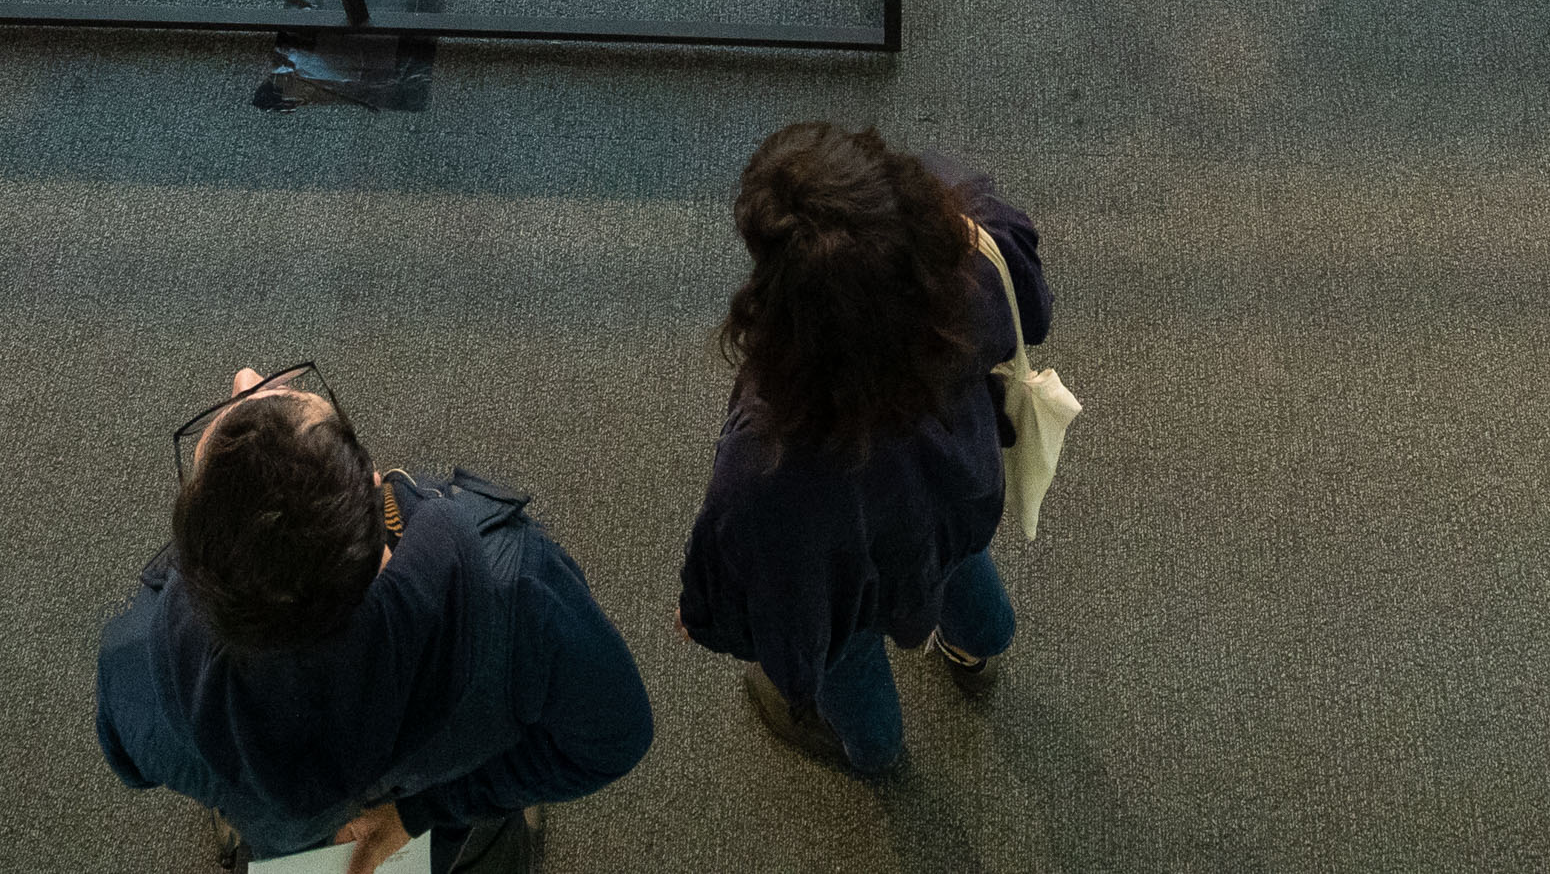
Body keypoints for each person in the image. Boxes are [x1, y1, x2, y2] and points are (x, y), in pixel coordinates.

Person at [100, 366, 653, 874]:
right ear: (371, 483)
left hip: (288, 840)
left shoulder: (135, 666)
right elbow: (614, 739)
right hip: (447, 810)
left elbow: (131, 766)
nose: (247, 378)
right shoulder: (517, 592)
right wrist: (422, 810)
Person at [678, 125, 1055, 782]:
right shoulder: (973, 260)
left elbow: (763, 574)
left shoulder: (771, 445)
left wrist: (708, 613)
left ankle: (878, 752)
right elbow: (1032, 302)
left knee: (848, 659)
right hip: (954, 496)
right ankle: (977, 648)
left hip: (850, 570)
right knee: (962, 571)